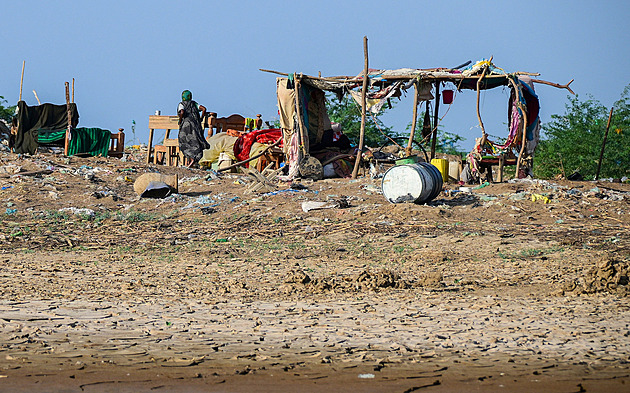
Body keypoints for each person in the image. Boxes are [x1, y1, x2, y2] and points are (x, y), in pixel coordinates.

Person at [177, 90, 209, 167]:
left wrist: (180, 120)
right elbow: (203, 109)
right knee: (196, 142)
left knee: (183, 141)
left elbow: (181, 112)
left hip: (186, 127)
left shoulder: (182, 104)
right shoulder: (194, 104)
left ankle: (191, 159)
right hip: (196, 126)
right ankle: (194, 160)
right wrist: (201, 118)